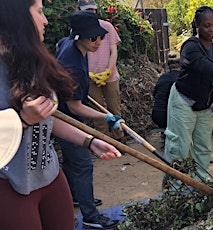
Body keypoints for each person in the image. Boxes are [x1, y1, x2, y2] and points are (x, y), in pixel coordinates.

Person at [0, 1, 121, 229]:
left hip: (50, 176)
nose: (46, 20)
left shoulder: (35, 61)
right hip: (11, 184)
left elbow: (49, 118)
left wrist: (89, 141)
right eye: (39, 12)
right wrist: (21, 120)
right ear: (18, 17)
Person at [55, 11, 125, 229]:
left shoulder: (69, 44)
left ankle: (76, 196)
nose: (98, 41)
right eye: (92, 38)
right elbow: (75, 106)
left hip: (69, 111)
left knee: (72, 162)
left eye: (100, 36)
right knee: (84, 163)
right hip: (64, 118)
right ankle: (91, 217)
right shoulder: (72, 64)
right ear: (79, 37)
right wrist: (106, 116)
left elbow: (59, 45)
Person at [163, 6, 213, 189]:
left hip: (204, 105)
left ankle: (201, 181)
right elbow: (201, 65)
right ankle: (175, 188)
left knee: (203, 146)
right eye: (206, 26)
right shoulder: (190, 46)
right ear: (196, 25)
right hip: (184, 102)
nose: (211, 30)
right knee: (180, 147)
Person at [78, 0, 125, 143]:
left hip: (110, 76)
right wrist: (87, 73)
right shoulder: (78, 30)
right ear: (80, 11)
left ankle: (119, 139)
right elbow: (78, 54)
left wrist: (108, 71)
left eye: (92, 10)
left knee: (114, 108)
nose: (90, 13)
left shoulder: (106, 26)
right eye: (87, 10)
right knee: (97, 111)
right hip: (91, 78)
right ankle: (104, 140)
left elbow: (113, 51)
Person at [151, 54, 181, 142]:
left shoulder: (162, 77)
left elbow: (154, 94)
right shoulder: (182, 78)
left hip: (157, 115)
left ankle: (165, 134)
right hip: (172, 116)